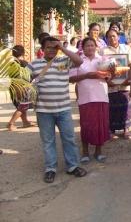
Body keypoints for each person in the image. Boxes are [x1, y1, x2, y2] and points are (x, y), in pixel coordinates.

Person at [28, 36, 87, 183]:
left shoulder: (63, 61)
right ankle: (50, 169)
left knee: (69, 139)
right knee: (48, 141)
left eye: (54, 48)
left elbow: (79, 61)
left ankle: (73, 166)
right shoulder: (34, 65)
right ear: (42, 49)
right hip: (43, 111)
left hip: (64, 109)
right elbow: (23, 79)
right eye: (48, 47)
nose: (51, 50)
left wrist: (62, 48)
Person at [69, 37, 111, 163]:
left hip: (101, 96)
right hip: (85, 98)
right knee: (86, 125)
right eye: (87, 45)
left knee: (100, 125)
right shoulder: (78, 61)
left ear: (96, 47)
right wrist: (87, 75)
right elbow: (71, 79)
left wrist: (109, 75)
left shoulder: (103, 60)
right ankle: (85, 152)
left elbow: (110, 77)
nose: (90, 48)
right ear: (83, 47)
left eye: (92, 45)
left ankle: (98, 152)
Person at [101, 28, 131, 139]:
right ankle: (111, 130)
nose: (112, 38)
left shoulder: (126, 48)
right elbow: (101, 69)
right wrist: (108, 81)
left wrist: (128, 79)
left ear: (118, 37)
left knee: (126, 107)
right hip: (110, 85)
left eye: (114, 36)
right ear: (106, 38)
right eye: (109, 36)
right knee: (111, 108)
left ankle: (126, 129)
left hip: (124, 84)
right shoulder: (103, 51)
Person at [7, 45, 35, 131]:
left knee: (21, 106)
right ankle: (11, 123)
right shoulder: (24, 63)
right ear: (23, 53)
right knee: (23, 106)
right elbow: (30, 75)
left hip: (13, 87)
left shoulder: (10, 63)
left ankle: (25, 121)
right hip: (23, 88)